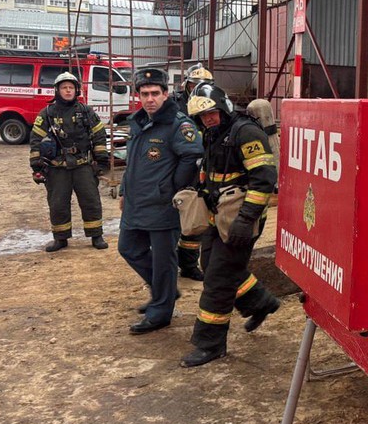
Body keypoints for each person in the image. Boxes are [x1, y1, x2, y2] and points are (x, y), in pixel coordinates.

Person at [180, 83, 280, 368]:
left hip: (240, 220)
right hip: (218, 216)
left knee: (218, 280)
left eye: (211, 113)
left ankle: (210, 344)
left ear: (222, 106)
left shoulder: (245, 132)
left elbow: (264, 179)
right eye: (202, 116)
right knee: (212, 263)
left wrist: (246, 220)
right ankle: (261, 302)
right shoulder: (213, 133)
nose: (208, 119)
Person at [119, 68, 204, 335]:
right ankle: (164, 292)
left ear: (166, 94)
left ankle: (160, 312)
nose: (150, 99)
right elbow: (132, 162)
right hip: (136, 202)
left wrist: (173, 188)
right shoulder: (138, 121)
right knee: (128, 248)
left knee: (164, 259)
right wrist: (123, 191)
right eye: (145, 94)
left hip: (162, 204)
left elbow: (192, 156)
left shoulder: (179, 124)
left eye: (155, 93)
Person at [28, 72, 109, 252]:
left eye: (71, 88)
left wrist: (101, 162)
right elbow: (35, 140)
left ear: (76, 90)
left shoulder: (86, 112)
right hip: (57, 169)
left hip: (83, 166)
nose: (68, 91)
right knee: (58, 204)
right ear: (57, 90)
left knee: (91, 201)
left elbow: (99, 136)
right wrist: (36, 167)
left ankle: (96, 235)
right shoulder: (47, 114)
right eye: (64, 88)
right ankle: (60, 238)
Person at [170, 63, 215, 282]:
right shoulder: (173, 104)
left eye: (203, 85)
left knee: (195, 215)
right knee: (169, 217)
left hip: (200, 168)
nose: (198, 88)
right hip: (174, 167)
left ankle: (188, 264)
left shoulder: (213, 103)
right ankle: (166, 262)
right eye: (194, 84)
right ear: (186, 84)